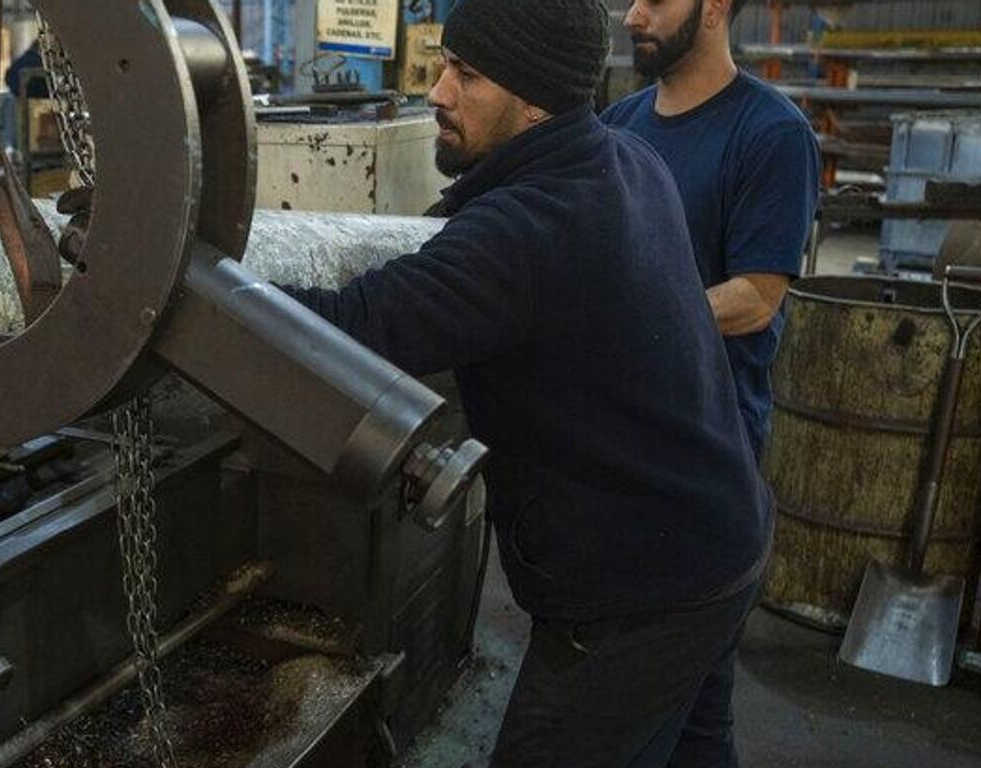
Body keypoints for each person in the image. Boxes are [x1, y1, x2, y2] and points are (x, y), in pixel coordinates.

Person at [274, 0, 770, 765]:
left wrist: (176, 292)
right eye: (444, 63)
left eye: (466, 74)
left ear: (535, 97)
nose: (438, 92)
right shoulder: (628, 162)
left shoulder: (526, 230)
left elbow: (351, 328)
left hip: (634, 597)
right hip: (723, 541)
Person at [604, 0, 821, 459]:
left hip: (703, 442)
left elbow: (757, 299)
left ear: (714, 8)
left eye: (656, 2)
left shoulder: (773, 134)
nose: (633, 17)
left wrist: (629, 320)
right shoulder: (616, 128)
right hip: (612, 419)